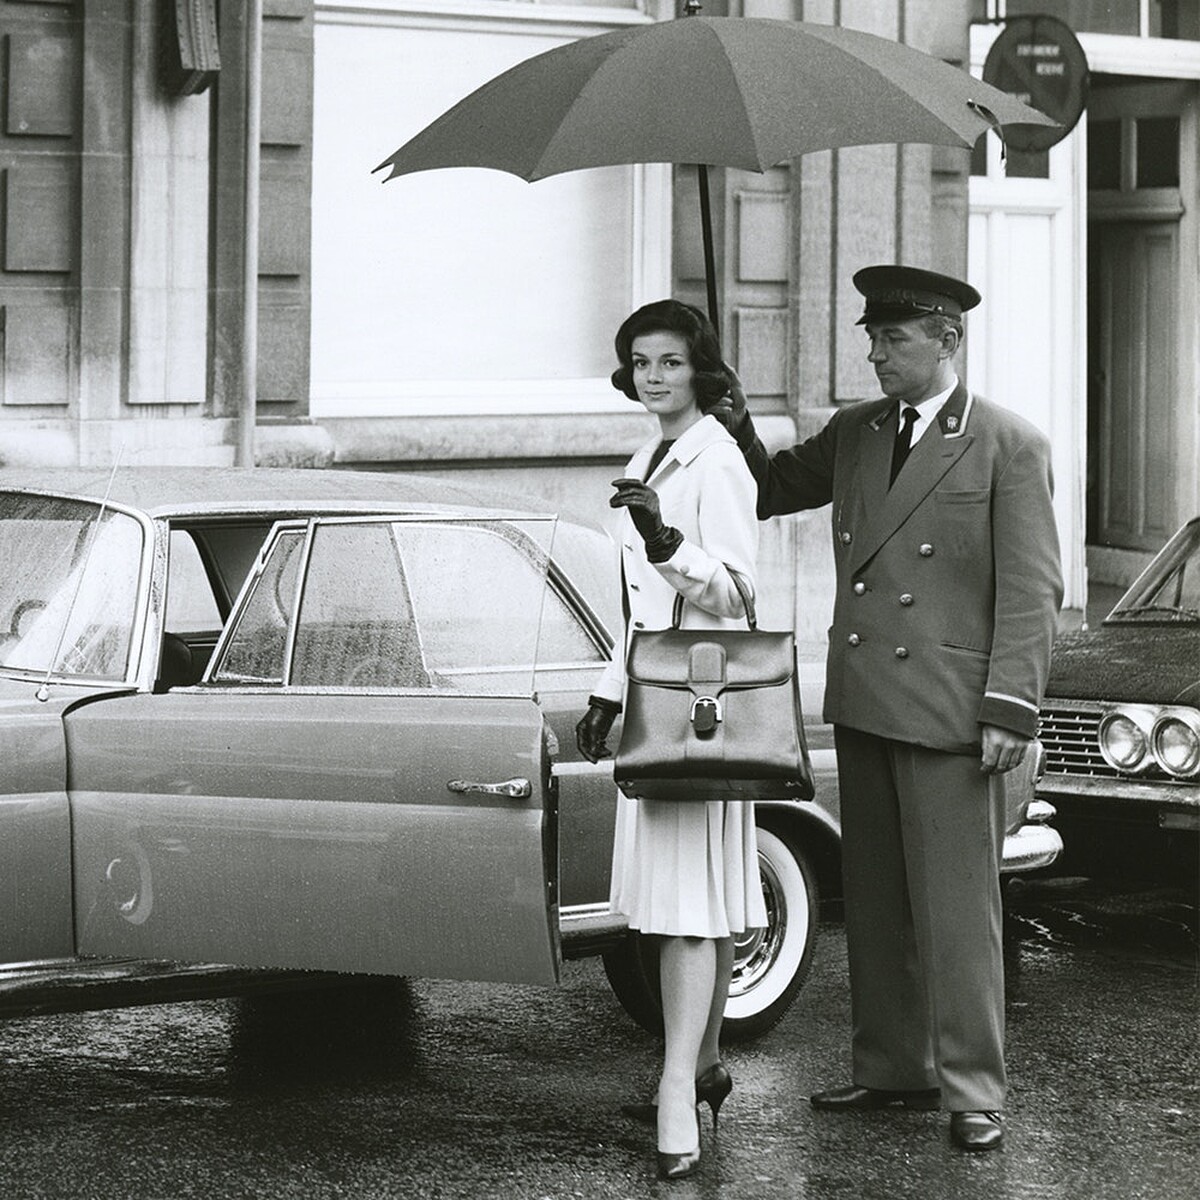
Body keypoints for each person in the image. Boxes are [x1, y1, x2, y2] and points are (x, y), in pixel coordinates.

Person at [713, 265, 1063, 1153]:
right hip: (867, 696)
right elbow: (770, 489)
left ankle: (973, 1089)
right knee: (875, 902)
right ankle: (894, 1067)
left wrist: (1010, 709)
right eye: (871, 337)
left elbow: (1032, 593)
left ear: (947, 340)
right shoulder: (858, 432)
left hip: (952, 711)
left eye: (893, 338)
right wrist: (733, 417)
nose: (875, 353)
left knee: (957, 913)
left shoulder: (1007, 443)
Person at [575, 298, 767, 1181]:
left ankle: (675, 1090)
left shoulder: (718, 459)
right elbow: (635, 607)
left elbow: (737, 595)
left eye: (671, 362)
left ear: (702, 371)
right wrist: (607, 692)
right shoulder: (647, 455)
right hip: (657, 701)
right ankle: (706, 1063)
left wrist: (666, 539)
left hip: (701, 708)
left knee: (689, 913)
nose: (654, 376)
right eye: (642, 362)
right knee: (695, 905)